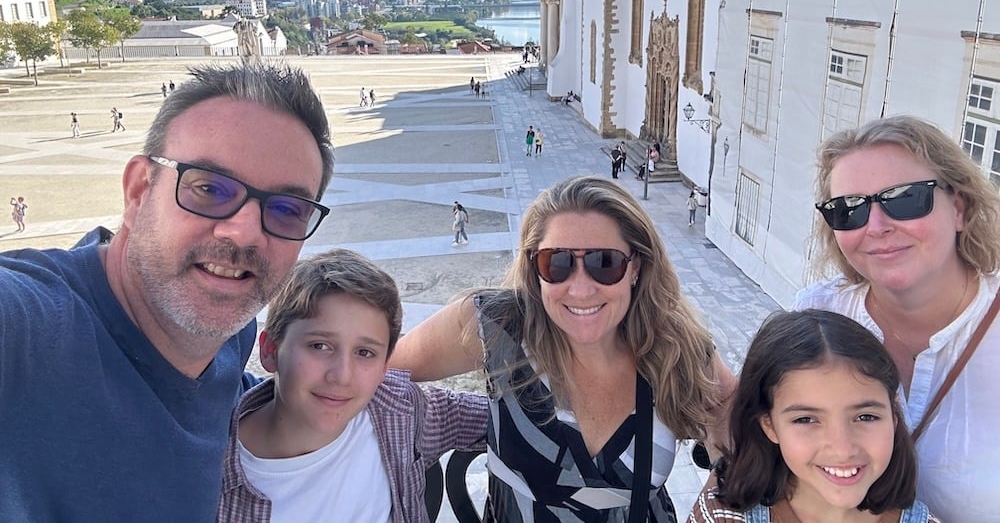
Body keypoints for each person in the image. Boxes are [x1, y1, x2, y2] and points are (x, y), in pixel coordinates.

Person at [0, 63, 335, 520]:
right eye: (209, 188)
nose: (243, 233)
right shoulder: (30, 327)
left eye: (287, 209)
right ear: (139, 192)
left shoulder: (229, 335)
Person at [391, 175, 736, 522]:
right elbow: (376, 372)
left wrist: (715, 498)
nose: (581, 289)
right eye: (557, 263)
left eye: (605, 263)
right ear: (534, 268)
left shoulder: (674, 350)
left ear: (635, 267)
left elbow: (734, 412)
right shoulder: (498, 329)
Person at [798, 114, 1000, 521]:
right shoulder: (819, 313)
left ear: (959, 208)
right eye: (849, 209)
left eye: (905, 198)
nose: (876, 226)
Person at [217, 249, 488, 523]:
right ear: (270, 350)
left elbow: (502, 418)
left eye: (364, 352)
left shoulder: (398, 410)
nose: (342, 376)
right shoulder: (210, 473)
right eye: (319, 346)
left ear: (384, 366)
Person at [689, 309, 939, 523]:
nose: (842, 449)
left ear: (894, 416)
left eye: (865, 417)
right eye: (806, 419)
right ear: (770, 425)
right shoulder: (722, 516)